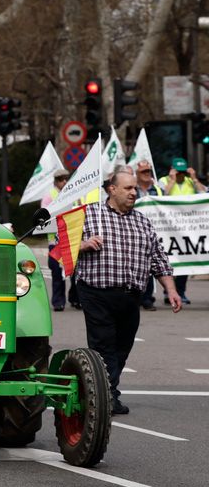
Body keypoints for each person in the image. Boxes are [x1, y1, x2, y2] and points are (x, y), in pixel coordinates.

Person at [75, 169, 183, 415]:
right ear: (111, 189)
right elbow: (61, 248)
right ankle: (106, 397)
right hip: (96, 291)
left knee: (122, 346)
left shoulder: (142, 221)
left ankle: (103, 390)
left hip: (130, 296)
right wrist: (83, 245)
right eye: (128, 188)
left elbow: (158, 258)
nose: (134, 192)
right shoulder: (90, 214)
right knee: (103, 345)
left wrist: (171, 289)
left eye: (135, 188)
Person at [157, 157, 204, 306]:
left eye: (183, 172)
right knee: (169, 260)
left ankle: (181, 291)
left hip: (187, 226)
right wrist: (171, 180)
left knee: (185, 258)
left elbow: (204, 194)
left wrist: (195, 179)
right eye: (178, 172)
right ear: (172, 169)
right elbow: (160, 197)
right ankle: (168, 291)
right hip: (168, 227)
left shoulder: (190, 181)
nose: (181, 175)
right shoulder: (163, 180)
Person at [133, 161, 162, 312]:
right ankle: (136, 297)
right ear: (137, 174)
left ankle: (147, 299)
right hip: (135, 230)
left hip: (155, 230)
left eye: (148, 171)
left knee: (150, 263)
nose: (147, 174)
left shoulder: (157, 189)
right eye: (143, 171)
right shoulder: (132, 190)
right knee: (137, 264)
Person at [42, 169, 71, 311]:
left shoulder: (72, 193)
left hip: (70, 239)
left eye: (66, 178)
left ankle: (75, 299)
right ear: (55, 181)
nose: (64, 182)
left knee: (75, 272)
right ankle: (58, 302)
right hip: (55, 241)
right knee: (57, 273)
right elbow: (44, 218)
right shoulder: (49, 197)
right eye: (61, 179)